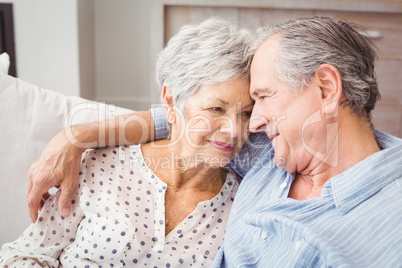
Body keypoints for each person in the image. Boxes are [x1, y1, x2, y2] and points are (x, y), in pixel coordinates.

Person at [21, 16, 402, 267]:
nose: (248, 125)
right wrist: (76, 136)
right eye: (223, 109)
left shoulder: (390, 219)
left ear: (326, 88)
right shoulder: (272, 153)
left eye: (260, 100)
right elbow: (184, 120)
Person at [0, 17, 254, 267]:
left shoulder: (244, 204)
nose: (235, 130)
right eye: (216, 109)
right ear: (169, 101)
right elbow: (24, 255)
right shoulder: (101, 166)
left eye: (246, 113)